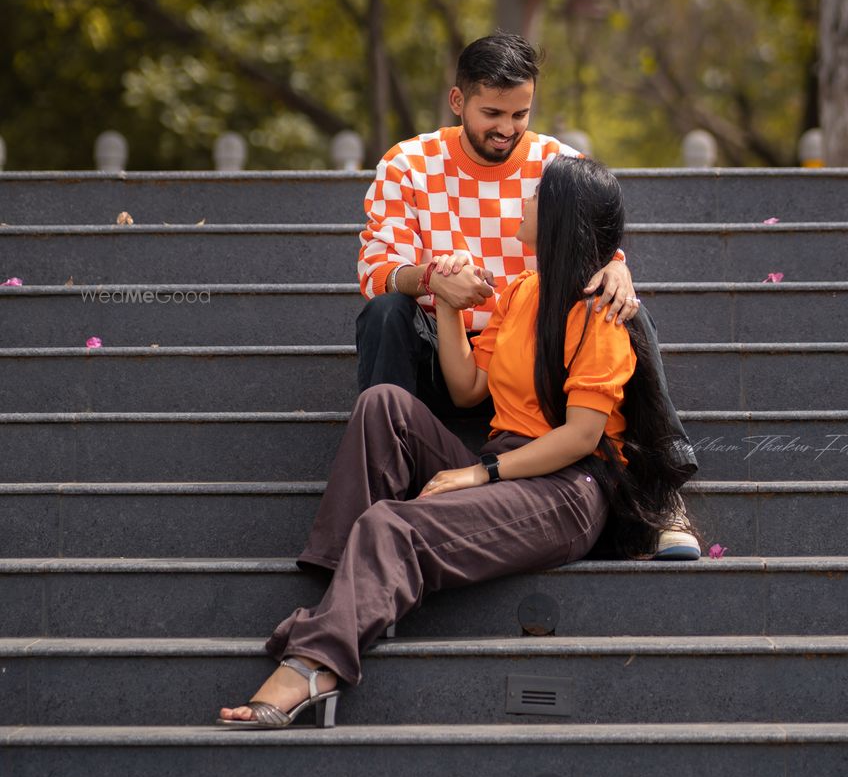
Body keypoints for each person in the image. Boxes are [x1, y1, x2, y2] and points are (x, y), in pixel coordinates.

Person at [217, 155, 700, 729]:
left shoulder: (601, 314)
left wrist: (481, 475)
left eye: (535, 197)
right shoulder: (523, 292)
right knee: (383, 405)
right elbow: (468, 389)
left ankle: (316, 663)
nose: (522, 202)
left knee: (390, 524)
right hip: (509, 461)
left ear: (561, 217)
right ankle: (345, 587)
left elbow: (581, 435)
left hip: (568, 490)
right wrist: (448, 303)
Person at [355, 29, 700, 557]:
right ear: (457, 101)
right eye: (492, 113)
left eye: (520, 114)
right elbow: (376, 268)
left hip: (538, 360)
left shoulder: (557, 163)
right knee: (385, 312)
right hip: (447, 356)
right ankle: (381, 488)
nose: (507, 129)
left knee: (626, 312)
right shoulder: (408, 163)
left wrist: (619, 271)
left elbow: (598, 248)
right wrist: (430, 281)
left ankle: (667, 486)